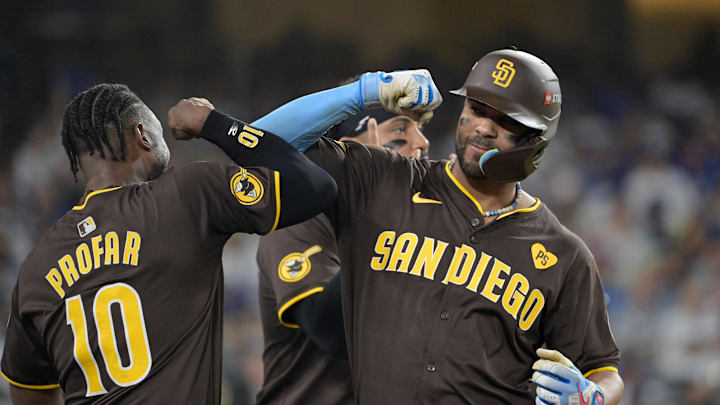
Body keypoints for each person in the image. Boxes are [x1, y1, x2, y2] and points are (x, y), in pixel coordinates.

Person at [198, 51, 625, 405]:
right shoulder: (387, 182)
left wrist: (596, 396)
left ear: (536, 140)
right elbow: (257, 143)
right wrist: (363, 92)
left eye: (505, 121)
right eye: (476, 109)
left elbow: (603, 367)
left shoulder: (565, 254)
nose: (482, 127)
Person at [0, 83, 337, 405]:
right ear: (142, 135)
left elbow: (30, 395)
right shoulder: (185, 195)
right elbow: (313, 187)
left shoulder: (36, 266)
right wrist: (213, 124)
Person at [255, 98, 429, 405]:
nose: (421, 143)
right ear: (350, 152)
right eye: (400, 132)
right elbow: (331, 330)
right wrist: (385, 214)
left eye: (421, 130)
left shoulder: (422, 223)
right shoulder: (299, 216)